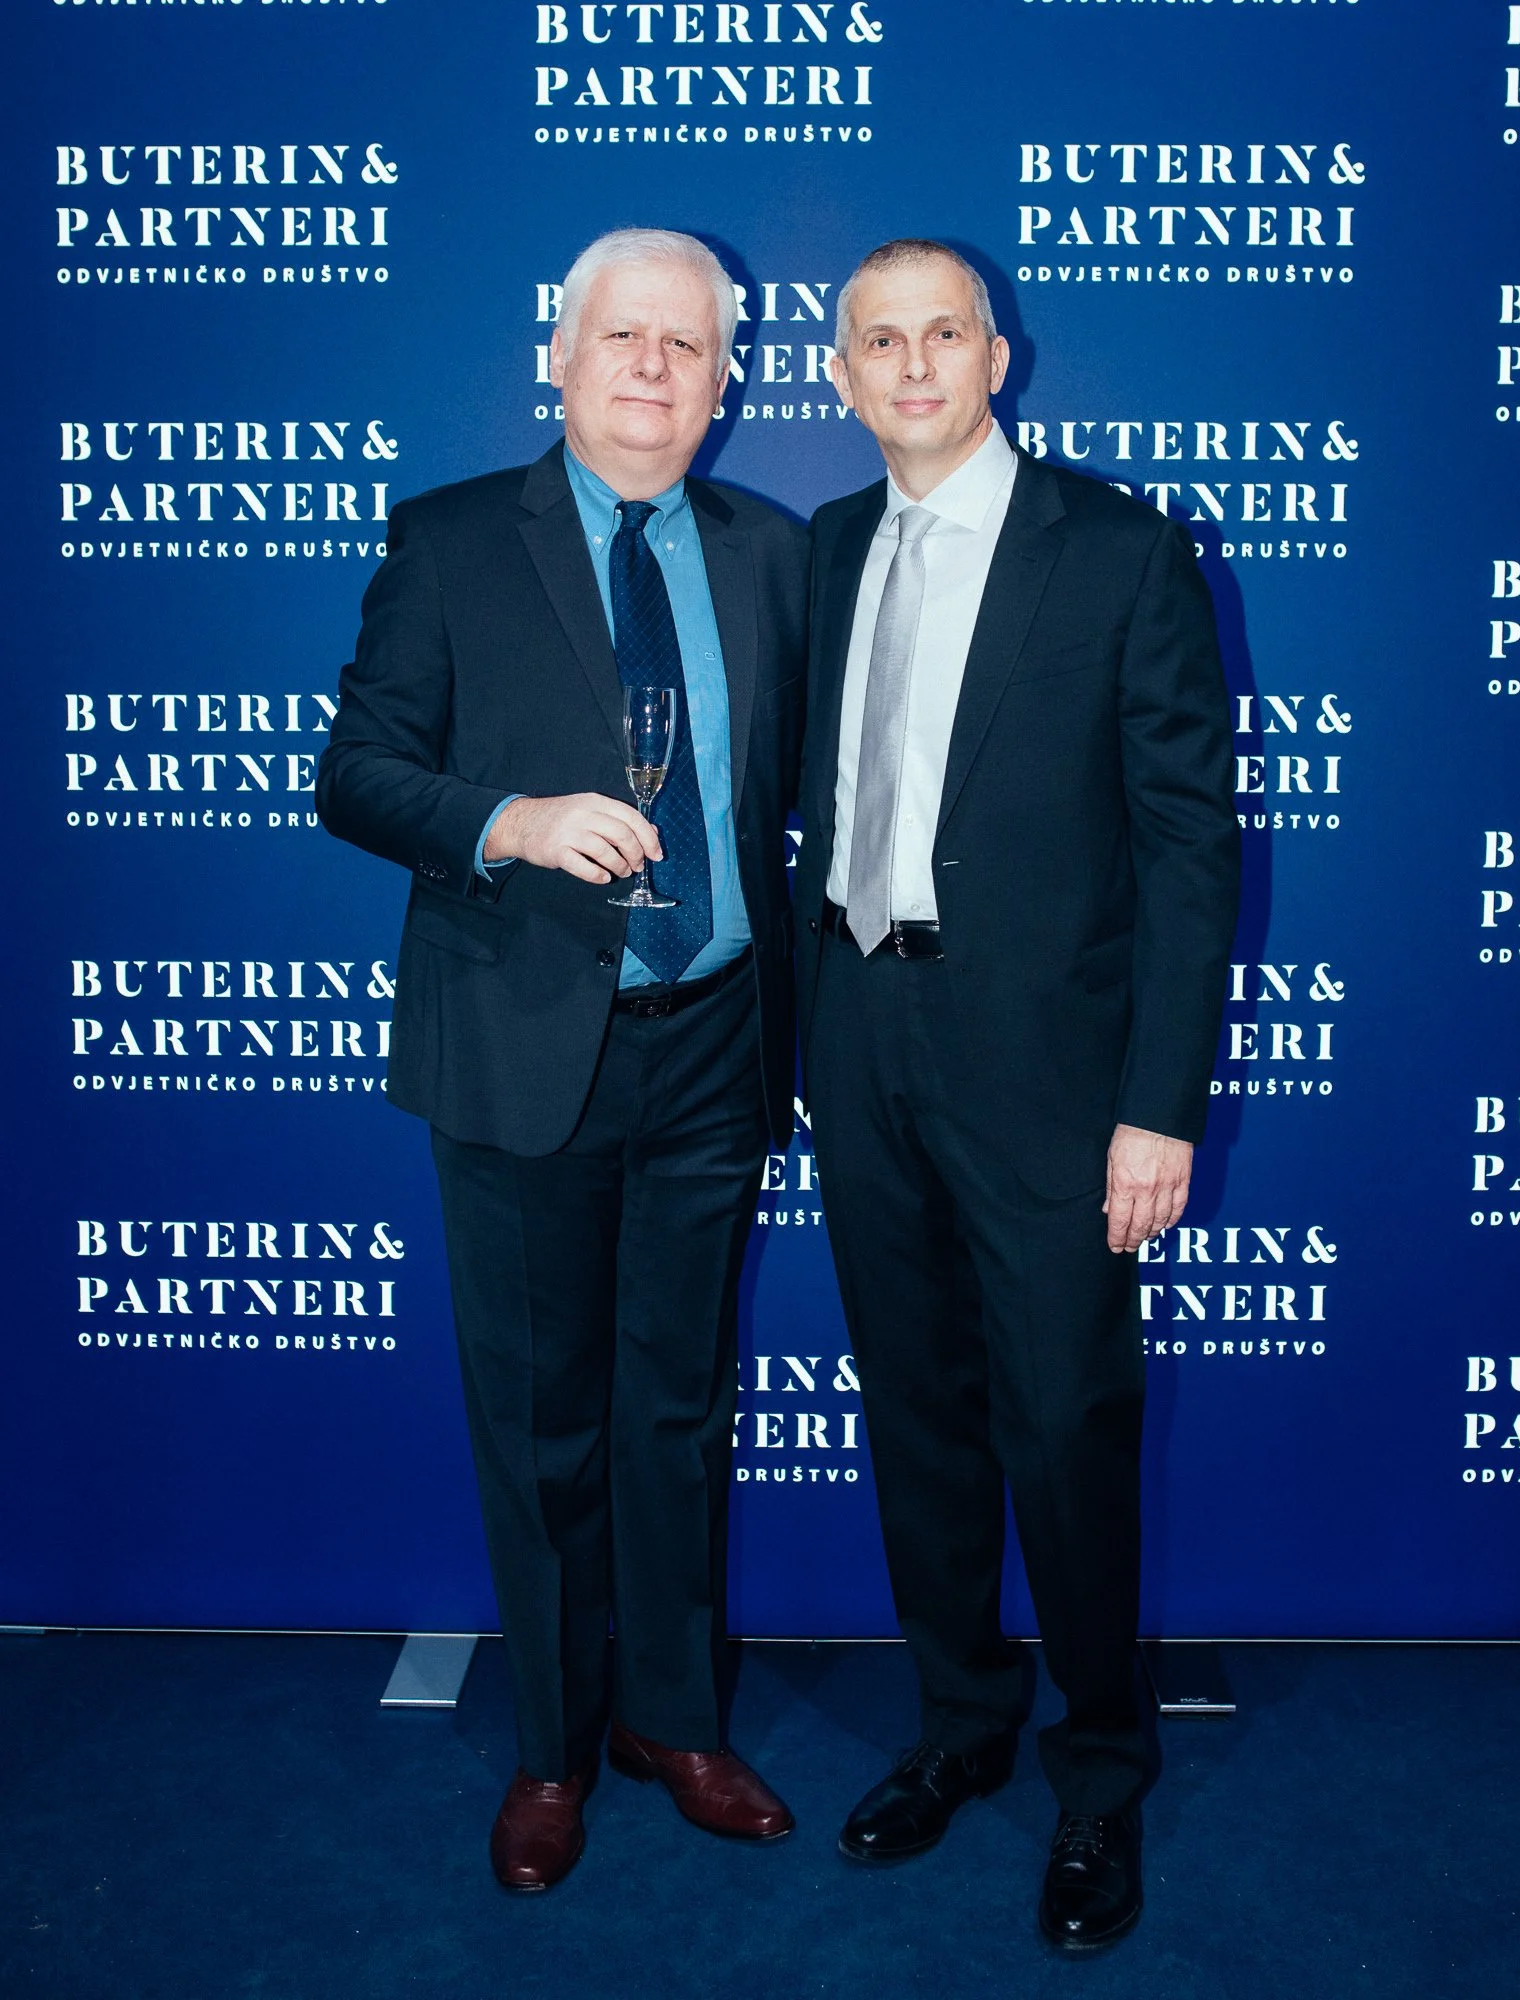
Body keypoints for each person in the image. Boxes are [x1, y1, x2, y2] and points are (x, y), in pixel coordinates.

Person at [318, 227, 808, 1892]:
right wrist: (507, 822)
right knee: (542, 1422)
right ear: (561, 355)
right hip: (525, 1050)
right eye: (623, 338)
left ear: (729, 380)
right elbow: (357, 773)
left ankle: (673, 1719)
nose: (655, 370)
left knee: (675, 1408)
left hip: (716, 1040)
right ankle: (549, 1745)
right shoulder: (453, 539)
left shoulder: (775, 554)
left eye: (689, 346)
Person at [794, 239, 1238, 1951]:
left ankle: (1102, 1779)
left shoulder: (1120, 551)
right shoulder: (834, 548)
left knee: (1063, 1430)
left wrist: (1159, 1102)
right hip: (864, 1035)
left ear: (1001, 356)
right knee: (917, 1414)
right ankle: (960, 1728)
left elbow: (1191, 852)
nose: (912, 365)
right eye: (877, 340)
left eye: (943, 335)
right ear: (839, 375)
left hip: (1055, 1079)